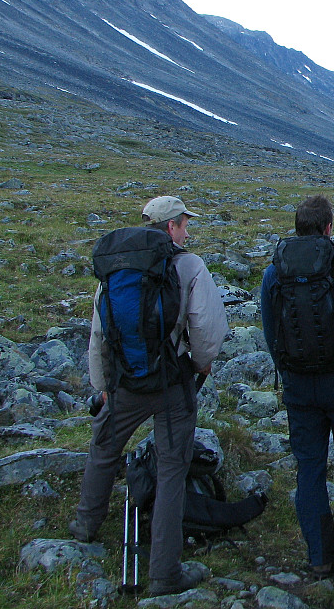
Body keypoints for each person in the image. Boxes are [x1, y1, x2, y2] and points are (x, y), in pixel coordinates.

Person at [70, 196, 229, 597]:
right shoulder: (188, 265)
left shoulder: (117, 266)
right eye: (185, 224)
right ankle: (164, 573)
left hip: (124, 382)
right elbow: (207, 327)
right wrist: (201, 364)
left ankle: (85, 526)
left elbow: (99, 332)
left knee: (104, 448)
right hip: (172, 383)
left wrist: (102, 387)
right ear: (172, 226)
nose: (188, 230)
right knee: (173, 469)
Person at [260, 195, 334, 576]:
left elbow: (270, 332)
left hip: (298, 387)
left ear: (297, 227)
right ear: (329, 228)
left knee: (309, 468)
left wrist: (288, 372)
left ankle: (319, 557)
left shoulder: (272, 274)